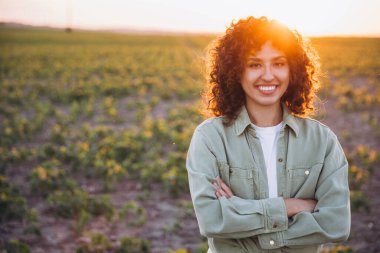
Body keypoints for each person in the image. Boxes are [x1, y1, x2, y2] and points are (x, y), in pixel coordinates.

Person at [186, 16, 350, 253]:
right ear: (235, 71)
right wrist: (291, 206)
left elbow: (336, 225)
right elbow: (212, 220)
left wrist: (241, 217)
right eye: (254, 64)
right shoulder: (210, 138)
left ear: (292, 70)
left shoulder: (322, 141)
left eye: (279, 63)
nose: (268, 75)